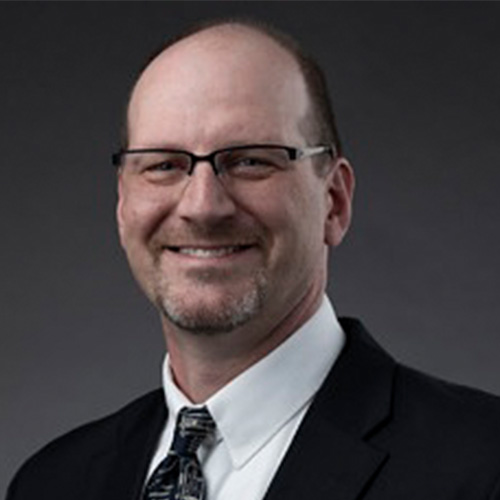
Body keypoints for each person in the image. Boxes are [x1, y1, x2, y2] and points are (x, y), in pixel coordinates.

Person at [6, 18, 500, 500]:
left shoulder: (482, 464)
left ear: (334, 201)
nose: (202, 206)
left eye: (250, 161)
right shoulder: (52, 482)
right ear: (122, 206)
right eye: (163, 165)